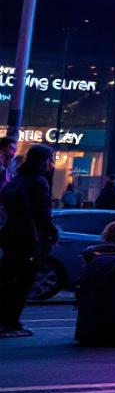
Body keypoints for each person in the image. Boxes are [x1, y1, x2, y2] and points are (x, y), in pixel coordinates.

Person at [0, 145, 61, 338]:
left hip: (10, 236)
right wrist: (52, 233)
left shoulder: (18, 180)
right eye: (50, 159)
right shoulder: (38, 182)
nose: (51, 163)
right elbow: (42, 213)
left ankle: (6, 320)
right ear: (42, 161)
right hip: (28, 239)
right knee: (23, 282)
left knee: (8, 280)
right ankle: (11, 322)